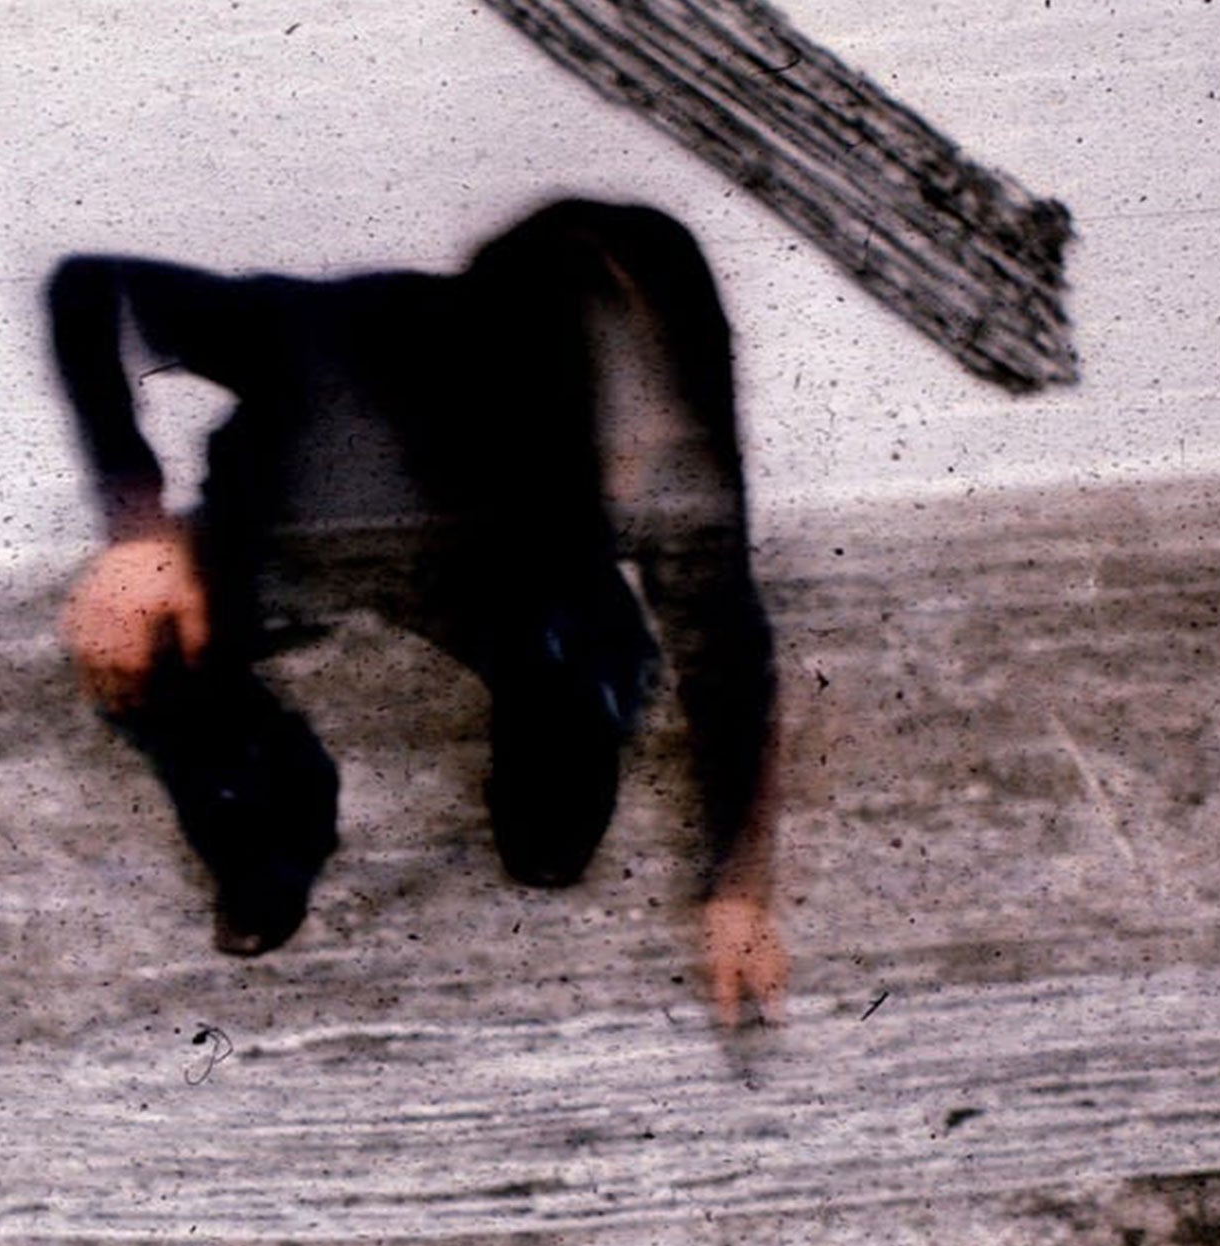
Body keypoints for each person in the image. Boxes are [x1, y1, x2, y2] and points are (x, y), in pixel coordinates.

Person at [46, 198, 786, 1025]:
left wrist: (736, 889)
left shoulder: (678, 465)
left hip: (512, 574)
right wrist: (136, 530)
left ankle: (551, 753)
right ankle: (272, 821)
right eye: (604, 431)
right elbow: (89, 289)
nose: (639, 463)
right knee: (133, 643)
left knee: (566, 772)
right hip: (292, 544)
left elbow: (724, 643)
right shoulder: (348, 342)